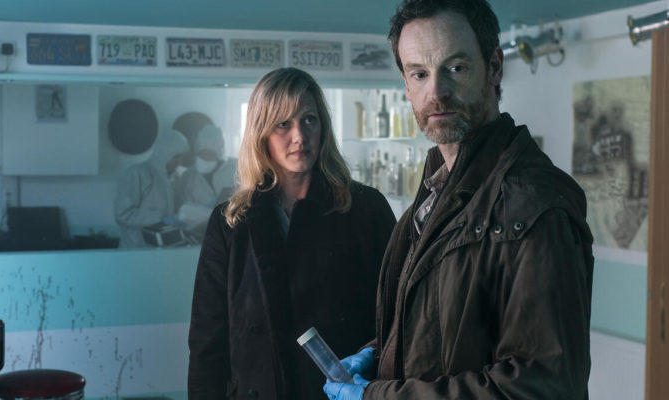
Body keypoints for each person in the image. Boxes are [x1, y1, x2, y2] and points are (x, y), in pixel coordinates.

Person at [324, 0, 594, 399]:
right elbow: (444, 333)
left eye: (456, 68)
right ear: (406, 85)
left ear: (494, 68)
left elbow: (543, 385)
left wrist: (380, 396)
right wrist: (379, 353)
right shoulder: (433, 195)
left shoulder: (533, 205)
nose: (436, 92)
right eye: (419, 73)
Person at [187, 67, 396, 400]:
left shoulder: (365, 209)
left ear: (323, 126)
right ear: (261, 132)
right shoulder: (230, 222)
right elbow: (207, 343)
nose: (299, 136)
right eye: (283, 124)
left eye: (309, 120)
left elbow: (397, 319)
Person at [114, 129, 189, 248]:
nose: (179, 162)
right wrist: (159, 219)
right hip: (135, 250)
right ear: (164, 153)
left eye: (182, 157)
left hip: (161, 250)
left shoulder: (170, 180)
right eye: (176, 157)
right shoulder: (137, 173)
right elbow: (123, 214)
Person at [176, 125, 238, 233]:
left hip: (233, 228)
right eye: (202, 154)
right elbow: (183, 209)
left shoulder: (235, 168)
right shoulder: (188, 176)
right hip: (201, 231)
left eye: (210, 155)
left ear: (219, 153)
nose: (205, 158)